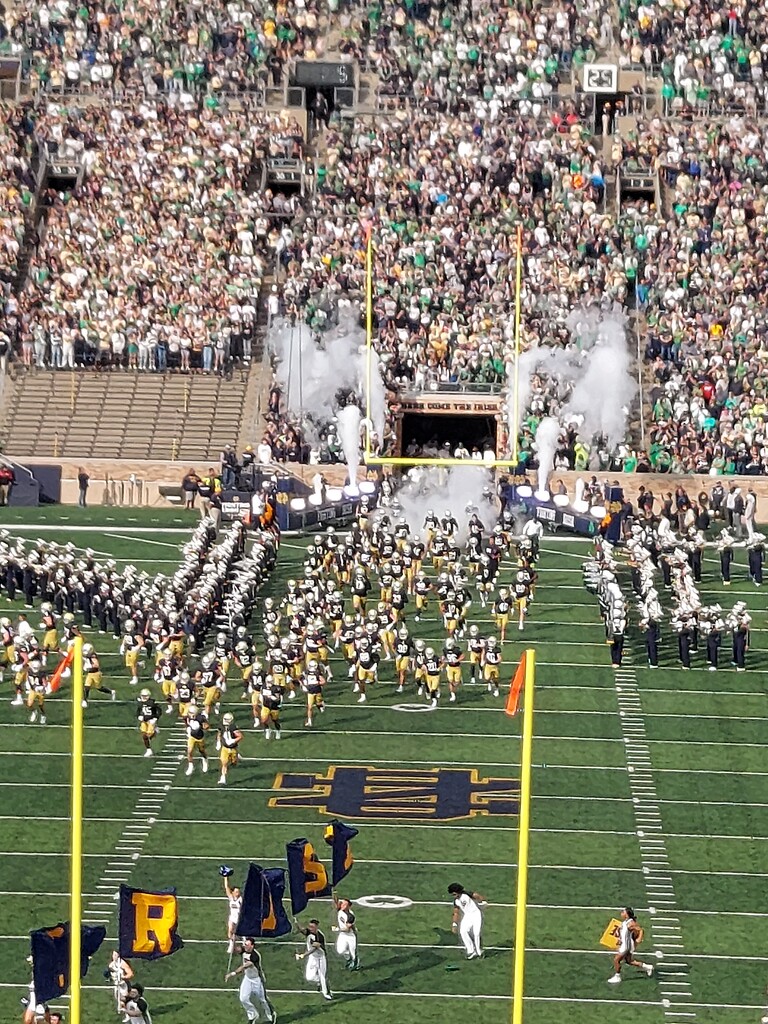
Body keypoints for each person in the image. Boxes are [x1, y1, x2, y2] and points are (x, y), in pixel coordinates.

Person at [225, 937, 275, 1024]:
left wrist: (232, 974)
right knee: (243, 998)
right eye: (245, 944)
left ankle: (270, 1015)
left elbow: (244, 967)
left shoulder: (254, 956)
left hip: (257, 980)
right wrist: (233, 941)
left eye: (247, 945)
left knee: (262, 999)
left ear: (252, 946)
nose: (245, 946)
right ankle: (252, 1015)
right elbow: (236, 950)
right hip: (248, 978)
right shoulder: (244, 950)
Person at [607, 907, 654, 983]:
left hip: (626, 946)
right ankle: (647, 967)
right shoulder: (625, 922)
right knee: (629, 961)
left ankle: (617, 976)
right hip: (625, 944)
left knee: (616, 960)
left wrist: (639, 939)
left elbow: (640, 930)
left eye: (623, 912)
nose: (621, 913)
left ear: (627, 914)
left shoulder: (631, 923)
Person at [294, 919, 332, 1000]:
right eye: (310, 926)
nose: (310, 928)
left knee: (322, 975)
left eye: (312, 927)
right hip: (313, 957)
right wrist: (296, 923)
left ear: (316, 927)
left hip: (320, 957)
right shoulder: (309, 932)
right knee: (309, 977)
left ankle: (326, 993)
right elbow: (302, 930)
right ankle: (320, 982)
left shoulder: (319, 936)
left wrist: (302, 955)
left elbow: (313, 949)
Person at [447, 882, 485, 959]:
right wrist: (454, 924)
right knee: (463, 931)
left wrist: (483, 901)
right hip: (467, 915)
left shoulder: (466, 894)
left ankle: (479, 952)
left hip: (476, 914)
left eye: (454, 894)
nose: (453, 896)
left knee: (476, 933)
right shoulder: (456, 901)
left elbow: (476, 895)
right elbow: (456, 912)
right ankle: (471, 951)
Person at [332, 893, 360, 970]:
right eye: (342, 903)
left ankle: (356, 965)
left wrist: (337, 929)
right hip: (342, 935)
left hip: (350, 935)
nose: (342, 905)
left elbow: (347, 929)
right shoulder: (340, 910)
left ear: (349, 906)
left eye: (344, 904)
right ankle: (348, 959)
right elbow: (336, 902)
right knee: (340, 951)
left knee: (353, 952)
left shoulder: (350, 916)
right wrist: (334, 894)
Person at [217, 712, 243, 786]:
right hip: (225, 748)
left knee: (234, 763)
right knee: (224, 763)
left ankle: (237, 756)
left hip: (233, 748)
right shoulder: (221, 725)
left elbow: (240, 736)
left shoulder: (233, 727)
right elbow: (219, 733)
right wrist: (218, 742)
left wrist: (233, 740)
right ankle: (223, 778)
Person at [105, 950, 133, 1016]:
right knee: (118, 998)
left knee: (124, 999)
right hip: (116, 985)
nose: (114, 957)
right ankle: (125, 1013)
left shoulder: (122, 963)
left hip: (123, 984)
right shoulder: (111, 964)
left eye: (115, 955)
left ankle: (129, 1014)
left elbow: (130, 974)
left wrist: (124, 977)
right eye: (113, 955)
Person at [223, 874, 243, 954]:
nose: (238, 893)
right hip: (232, 918)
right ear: (233, 892)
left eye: (238, 891)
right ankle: (231, 944)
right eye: (236, 891)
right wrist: (225, 877)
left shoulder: (241, 899)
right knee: (230, 930)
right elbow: (226, 887)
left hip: (239, 918)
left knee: (240, 932)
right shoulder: (231, 897)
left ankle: (245, 943)